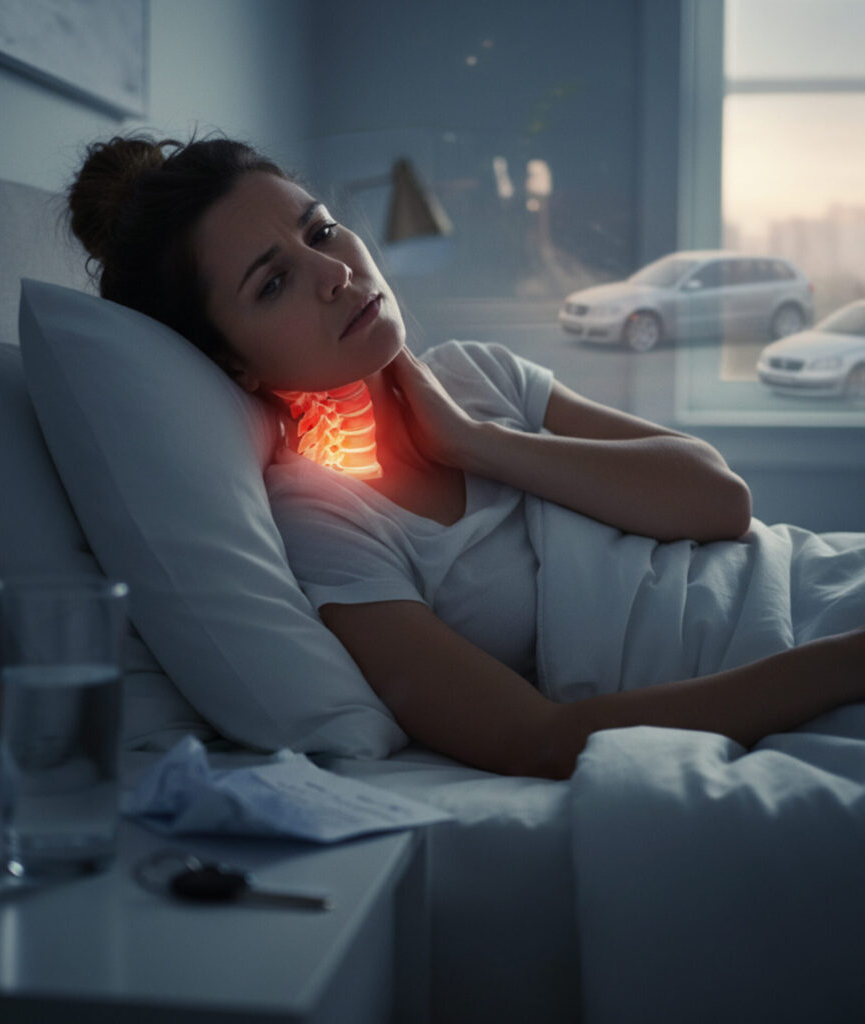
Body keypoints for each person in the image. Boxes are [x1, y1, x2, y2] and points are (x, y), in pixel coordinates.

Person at [68, 132, 865, 779]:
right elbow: (536, 740)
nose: (335, 272)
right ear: (233, 364)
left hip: (814, 587)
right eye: (273, 283)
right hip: (793, 668)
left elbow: (722, 502)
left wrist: (477, 441)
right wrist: (840, 668)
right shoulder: (323, 523)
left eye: (321, 231)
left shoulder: (476, 374)